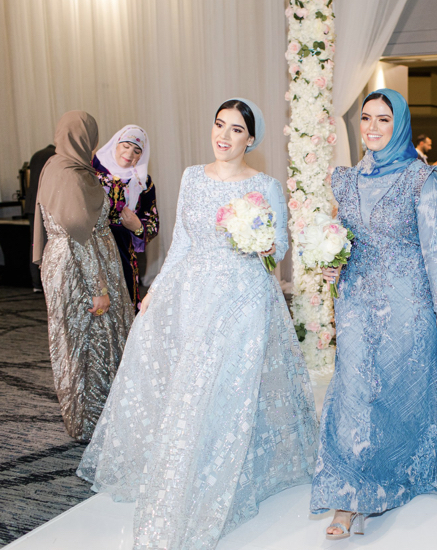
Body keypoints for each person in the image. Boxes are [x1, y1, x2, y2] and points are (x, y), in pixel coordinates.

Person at [77, 98, 318, 550]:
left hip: (244, 297)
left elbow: (280, 247)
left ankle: (229, 474)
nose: (223, 136)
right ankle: (189, 466)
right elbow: (182, 244)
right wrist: (156, 293)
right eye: (219, 125)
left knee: (232, 387)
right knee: (193, 386)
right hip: (194, 295)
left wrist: (258, 237)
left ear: (251, 139)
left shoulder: (265, 185)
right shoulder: (191, 176)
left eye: (235, 130)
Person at [311, 88, 437, 540]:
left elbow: (433, 249)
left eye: (383, 120)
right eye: (366, 118)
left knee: (397, 390)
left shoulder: (422, 178)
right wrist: (333, 258)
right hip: (354, 299)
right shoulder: (345, 180)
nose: (371, 127)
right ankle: (347, 496)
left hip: (408, 299)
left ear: (400, 125)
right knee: (353, 388)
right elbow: (344, 235)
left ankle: (395, 473)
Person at [33, 111, 134, 442]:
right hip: (80, 268)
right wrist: (98, 288)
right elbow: (81, 235)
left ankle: (89, 417)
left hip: (63, 262)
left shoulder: (56, 166)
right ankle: (91, 420)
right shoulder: (72, 176)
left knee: (74, 340)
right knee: (90, 341)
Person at [93, 125, 159, 310]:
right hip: (93, 250)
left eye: (137, 150)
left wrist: (138, 226)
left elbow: (153, 221)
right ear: (116, 144)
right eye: (126, 146)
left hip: (123, 253)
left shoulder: (143, 182)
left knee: (124, 305)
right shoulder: (93, 173)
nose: (130, 153)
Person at [25, 143, 56, 292]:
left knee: (34, 243)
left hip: (31, 203)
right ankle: (46, 283)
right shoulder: (55, 156)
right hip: (47, 203)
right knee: (50, 243)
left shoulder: (36, 155)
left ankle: (35, 282)